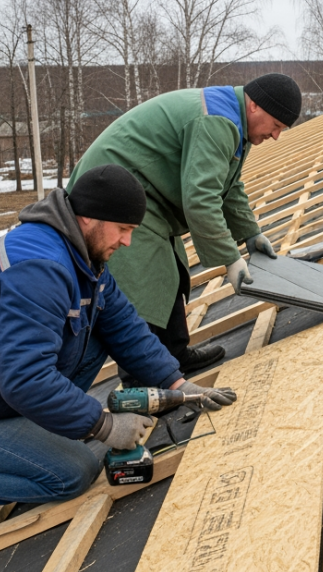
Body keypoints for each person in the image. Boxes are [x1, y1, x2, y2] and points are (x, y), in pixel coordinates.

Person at [0, 165, 237, 547]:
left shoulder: (80, 253)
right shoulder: (39, 269)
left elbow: (122, 323)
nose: (127, 242)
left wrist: (178, 384)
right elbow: (25, 379)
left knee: (100, 326)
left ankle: (43, 426)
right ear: (88, 217)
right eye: (123, 229)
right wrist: (104, 426)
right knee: (72, 472)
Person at [66, 73, 301, 375]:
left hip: (148, 194)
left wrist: (250, 233)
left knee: (173, 270)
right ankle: (143, 378)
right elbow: (201, 198)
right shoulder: (218, 122)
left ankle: (174, 357)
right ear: (255, 106)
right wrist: (230, 259)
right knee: (146, 282)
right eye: (277, 125)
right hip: (116, 193)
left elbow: (228, 186)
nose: (276, 135)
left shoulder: (235, 119)